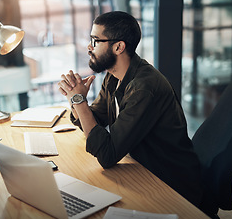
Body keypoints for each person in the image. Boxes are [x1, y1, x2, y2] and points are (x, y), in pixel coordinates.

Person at [58, 11, 203, 207]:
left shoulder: (144, 88)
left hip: (171, 185)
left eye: (95, 40)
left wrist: (78, 101)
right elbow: (97, 119)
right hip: (142, 169)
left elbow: (107, 155)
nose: (89, 47)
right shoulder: (114, 75)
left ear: (118, 47)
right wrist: (77, 99)